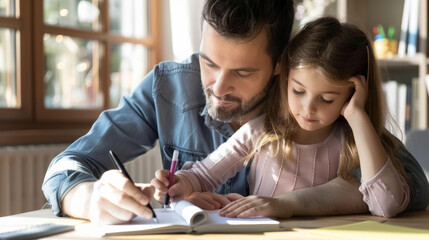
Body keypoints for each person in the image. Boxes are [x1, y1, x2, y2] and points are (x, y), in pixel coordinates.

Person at [42, 0, 428, 224]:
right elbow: (66, 165)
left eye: (243, 72)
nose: (218, 86)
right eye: (209, 62)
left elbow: (411, 185)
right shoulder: (169, 87)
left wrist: (299, 201)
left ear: (283, 65)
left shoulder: (314, 99)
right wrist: (89, 197)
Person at [152, 16, 429, 219]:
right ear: (284, 78)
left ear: (352, 95)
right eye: (298, 91)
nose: (308, 109)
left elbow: (387, 204)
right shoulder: (262, 131)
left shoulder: (351, 144)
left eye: (327, 99)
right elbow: (204, 174)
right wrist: (180, 184)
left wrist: (358, 116)